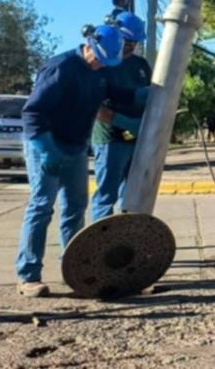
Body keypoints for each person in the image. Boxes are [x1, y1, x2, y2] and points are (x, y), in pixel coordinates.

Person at [15, 24, 147, 297]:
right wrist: (45, 149)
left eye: (106, 62)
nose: (101, 65)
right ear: (89, 45)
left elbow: (113, 93)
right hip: (47, 143)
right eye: (99, 59)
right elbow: (32, 113)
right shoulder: (60, 68)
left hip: (75, 147)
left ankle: (73, 269)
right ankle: (28, 276)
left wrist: (141, 94)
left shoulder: (101, 70)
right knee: (41, 207)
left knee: (76, 208)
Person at [89, 12, 151, 222]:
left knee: (132, 195)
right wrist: (124, 122)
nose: (130, 46)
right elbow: (96, 107)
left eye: (134, 42)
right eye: (127, 41)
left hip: (136, 139)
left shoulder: (140, 65)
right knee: (106, 196)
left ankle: (125, 235)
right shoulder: (103, 63)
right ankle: (101, 236)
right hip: (110, 139)